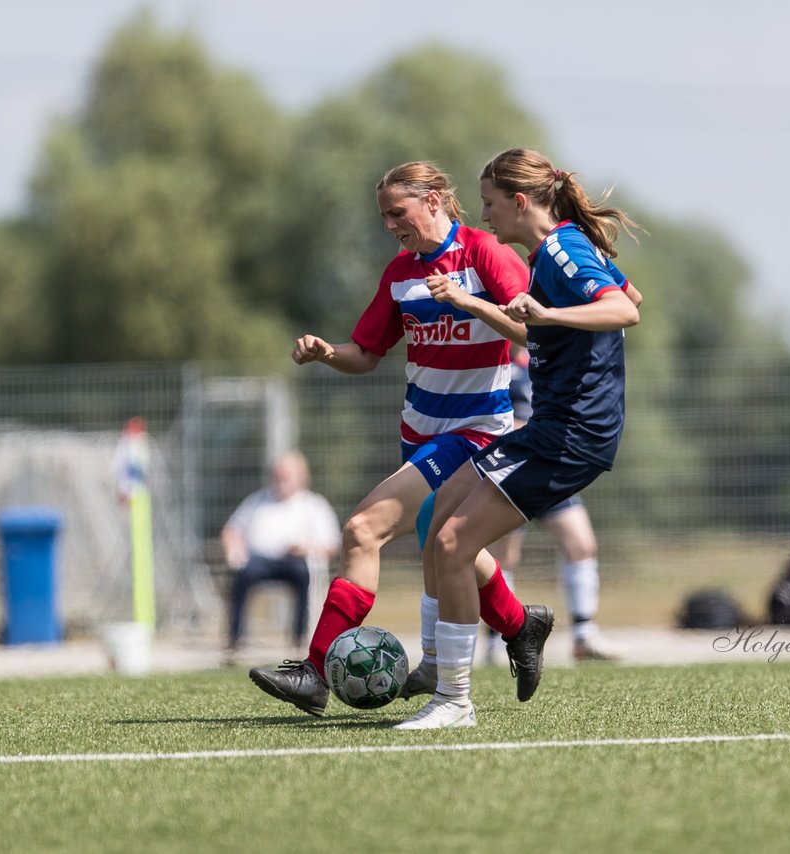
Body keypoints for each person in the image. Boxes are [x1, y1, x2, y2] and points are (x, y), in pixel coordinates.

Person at [247, 161, 555, 717]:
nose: (390, 225)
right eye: (385, 216)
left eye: (398, 213)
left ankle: (315, 673)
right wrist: (326, 353)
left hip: (476, 432)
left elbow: (534, 328)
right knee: (446, 549)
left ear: (434, 201)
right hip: (419, 435)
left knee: (362, 529)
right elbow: (365, 355)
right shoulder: (400, 274)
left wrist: (467, 302)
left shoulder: (484, 252)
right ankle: (520, 623)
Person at [397, 148, 641, 729]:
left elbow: (622, 314)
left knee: (454, 542)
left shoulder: (561, 249)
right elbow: (632, 295)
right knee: (440, 519)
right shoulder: (555, 251)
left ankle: (453, 699)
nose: (484, 217)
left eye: (488, 204)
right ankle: (442, 664)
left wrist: (553, 318)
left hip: (571, 434)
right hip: (552, 426)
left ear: (520, 201)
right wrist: (485, 305)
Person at [484, 344, 621, 663]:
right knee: (504, 557)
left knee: (581, 545)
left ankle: (584, 635)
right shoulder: (499, 363)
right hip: (512, 468)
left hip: (550, 466)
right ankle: (496, 642)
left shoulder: (548, 356)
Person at [221, 451, 340, 661]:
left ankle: (299, 638)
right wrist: (234, 550)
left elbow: (332, 544)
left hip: (296, 562)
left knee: (304, 573)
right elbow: (232, 530)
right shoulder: (257, 500)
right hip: (260, 561)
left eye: (286, 476)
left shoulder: (314, 505)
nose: (280, 480)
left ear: (301, 477)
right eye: (277, 475)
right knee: (242, 574)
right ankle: (235, 639)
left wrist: (304, 548)